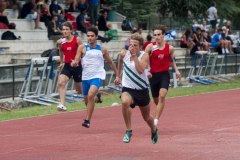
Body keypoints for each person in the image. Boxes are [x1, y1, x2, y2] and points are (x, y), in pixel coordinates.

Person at [73, 27, 120, 128]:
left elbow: (110, 62)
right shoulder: (82, 47)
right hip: (85, 77)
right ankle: (96, 98)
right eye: (88, 36)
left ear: (96, 37)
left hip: (97, 75)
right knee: (87, 100)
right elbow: (77, 59)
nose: (89, 38)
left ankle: (87, 120)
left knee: (90, 95)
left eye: (92, 36)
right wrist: (74, 63)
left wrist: (117, 75)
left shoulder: (102, 49)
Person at [116, 33, 158, 144]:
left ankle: (154, 130)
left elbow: (140, 70)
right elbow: (120, 61)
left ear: (140, 47)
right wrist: (117, 76)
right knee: (125, 102)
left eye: (135, 45)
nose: (132, 47)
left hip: (142, 90)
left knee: (147, 117)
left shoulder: (144, 56)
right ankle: (129, 130)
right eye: (131, 44)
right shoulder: (124, 53)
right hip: (128, 88)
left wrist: (134, 57)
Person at [145, 24, 181, 127]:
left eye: (159, 34)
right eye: (155, 35)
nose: (156, 37)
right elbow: (144, 58)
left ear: (163, 35)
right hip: (153, 76)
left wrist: (177, 71)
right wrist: (147, 70)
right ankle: (159, 108)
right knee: (157, 100)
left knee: (162, 95)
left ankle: (155, 120)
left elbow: (172, 60)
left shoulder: (170, 48)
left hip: (164, 75)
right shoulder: (150, 46)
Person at [56, 22, 83, 111]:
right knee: (61, 82)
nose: (65, 31)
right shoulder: (61, 42)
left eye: (67, 29)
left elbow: (83, 51)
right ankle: (62, 104)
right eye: (63, 29)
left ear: (71, 30)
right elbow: (61, 51)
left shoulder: (77, 39)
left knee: (80, 91)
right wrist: (61, 62)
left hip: (77, 66)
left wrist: (77, 60)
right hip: (67, 65)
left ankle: (95, 98)